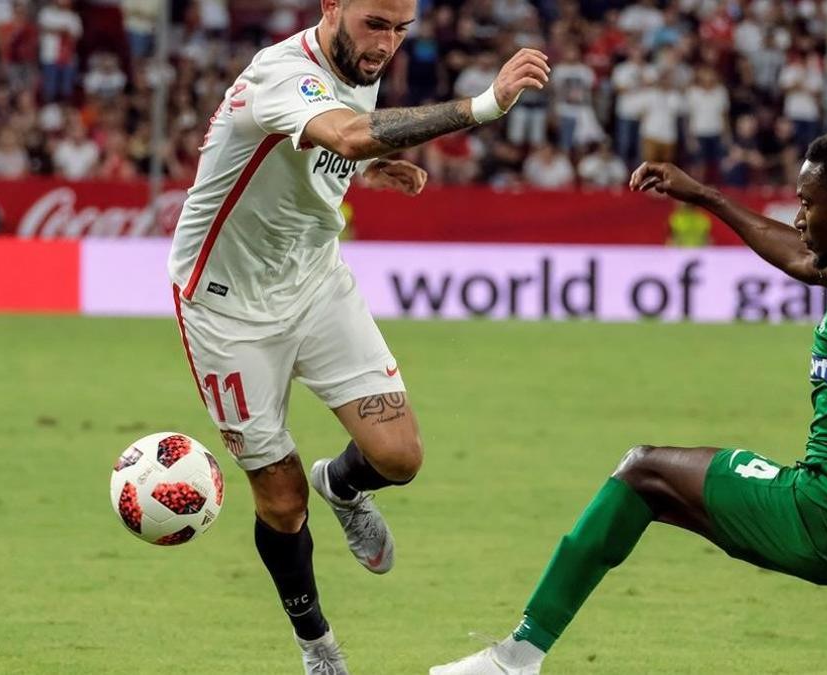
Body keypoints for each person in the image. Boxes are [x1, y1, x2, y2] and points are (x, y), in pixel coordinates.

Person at [430, 129, 827, 675]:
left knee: (643, 471)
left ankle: (515, 657)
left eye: (806, 205)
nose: (797, 217)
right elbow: (803, 259)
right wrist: (703, 196)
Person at [165, 0, 550, 672]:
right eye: (375, 24)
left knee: (400, 455)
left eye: (401, 30)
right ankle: (318, 646)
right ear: (331, 8)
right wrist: (483, 105)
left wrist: (367, 170)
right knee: (280, 499)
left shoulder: (359, 63)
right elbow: (342, 132)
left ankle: (342, 485)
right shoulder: (279, 73)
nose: (386, 45)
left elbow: (326, 147)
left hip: (314, 281)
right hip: (228, 311)